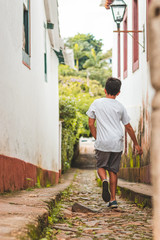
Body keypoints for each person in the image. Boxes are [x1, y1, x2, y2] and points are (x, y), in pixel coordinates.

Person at [86, 77, 143, 208]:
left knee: (101, 166)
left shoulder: (97, 103)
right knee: (113, 170)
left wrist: (97, 137)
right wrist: (136, 144)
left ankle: (103, 180)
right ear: (118, 92)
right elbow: (128, 127)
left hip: (103, 142)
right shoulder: (120, 106)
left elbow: (90, 123)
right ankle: (113, 200)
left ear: (105, 90)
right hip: (117, 142)